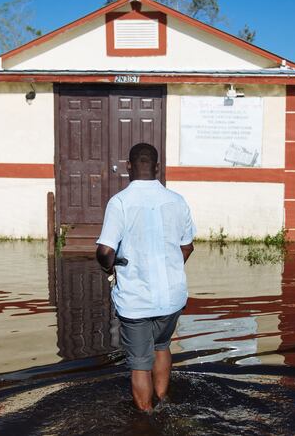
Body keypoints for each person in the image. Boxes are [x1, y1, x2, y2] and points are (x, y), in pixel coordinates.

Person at [96, 142, 196, 412]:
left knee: (140, 362)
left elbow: (105, 250)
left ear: (128, 166)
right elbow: (187, 245)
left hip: (136, 300)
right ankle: (163, 402)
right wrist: (171, 267)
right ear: (158, 167)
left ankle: (147, 418)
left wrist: (109, 268)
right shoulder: (177, 200)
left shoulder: (120, 203)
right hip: (173, 298)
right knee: (162, 346)